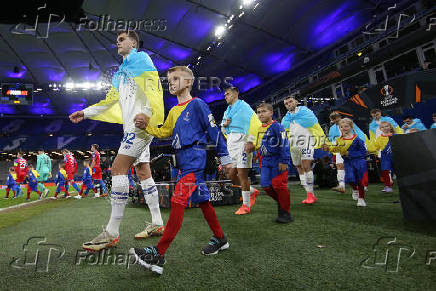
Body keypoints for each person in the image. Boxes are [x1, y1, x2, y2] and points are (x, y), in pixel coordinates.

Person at [130, 65, 232, 275]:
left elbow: (213, 130)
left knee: (178, 200)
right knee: (203, 201)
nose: (172, 83)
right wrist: (146, 125)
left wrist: (226, 156)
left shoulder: (198, 104)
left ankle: (158, 253)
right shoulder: (175, 110)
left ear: (188, 82)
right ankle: (220, 239)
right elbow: (164, 131)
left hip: (195, 157)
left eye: (176, 79)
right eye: (169, 80)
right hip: (182, 161)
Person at [69, 30, 165, 251]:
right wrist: (86, 113)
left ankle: (111, 232)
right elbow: (109, 101)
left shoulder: (141, 60)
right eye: (117, 40)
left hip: (141, 126)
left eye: (122, 40)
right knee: (143, 171)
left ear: (133, 43)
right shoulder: (120, 73)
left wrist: (150, 116)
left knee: (117, 169)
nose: (118, 43)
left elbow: (154, 90)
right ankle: (158, 223)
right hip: (132, 127)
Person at [249, 102, 293, 223]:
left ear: (271, 113)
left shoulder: (277, 126)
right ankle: (282, 201)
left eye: (264, 111)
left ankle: (285, 213)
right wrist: (254, 153)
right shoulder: (259, 129)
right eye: (258, 112)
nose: (260, 114)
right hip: (265, 161)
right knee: (266, 186)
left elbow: (284, 143)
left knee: (279, 185)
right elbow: (259, 145)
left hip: (278, 159)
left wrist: (284, 160)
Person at [221, 86, 261, 215]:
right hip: (232, 144)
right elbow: (223, 129)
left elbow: (255, 123)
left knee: (242, 174)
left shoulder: (244, 107)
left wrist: (251, 141)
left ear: (235, 93)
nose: (225, 96)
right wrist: (224, 125)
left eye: (227, 94)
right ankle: (251, 191)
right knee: (231, 175)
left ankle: (246, 205)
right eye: (225, 95)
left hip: (243, 142)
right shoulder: (227, 112)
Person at [281, 95, 326, 204]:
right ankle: (308, 193)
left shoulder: (306, 112)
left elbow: (316, 126)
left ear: (296, 102)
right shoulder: (285, 118)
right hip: (293, 145)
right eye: (286, 104)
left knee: (306, 166)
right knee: (298, 166)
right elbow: (284, 134)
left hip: (307, 142)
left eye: (290, 102)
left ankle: (311, 194)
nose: (289, 104)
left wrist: (323, 139)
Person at [323, 118, 368, 207]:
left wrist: (350, 153)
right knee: (349, 178)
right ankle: (355, 190)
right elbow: (336, 148)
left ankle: (361, 198)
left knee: (360, 180)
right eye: (342, 127)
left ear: (351, 127)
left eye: (346, 126)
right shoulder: (340, 140)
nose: (344, 128)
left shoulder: (357, 139)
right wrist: (328, 148)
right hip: (348, 162)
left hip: (359, 162)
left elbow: (363, 152)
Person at [328, 112, 368, 194]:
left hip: (353, 148)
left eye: (336, 118)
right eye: (333, 119)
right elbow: (331, 139)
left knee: (356, 170)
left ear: (339, 117)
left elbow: (359, 134)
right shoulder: (332, 128)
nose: (335, 121)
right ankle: (342, 185)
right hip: (340, 147)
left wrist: (363, 143)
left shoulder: (349, 124)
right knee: (339, 165)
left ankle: (360, 185)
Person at [368, 122, 399, 193]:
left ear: (390, 127)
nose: (385, 128)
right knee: (385, 170)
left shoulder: (396, 136)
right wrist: (368, 150)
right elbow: (375, 147)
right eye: (383, 127)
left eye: (387, 126)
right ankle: (388, 186)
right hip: (385, 156)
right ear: (380, 129)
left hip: (395, 155)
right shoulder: (379, 138)